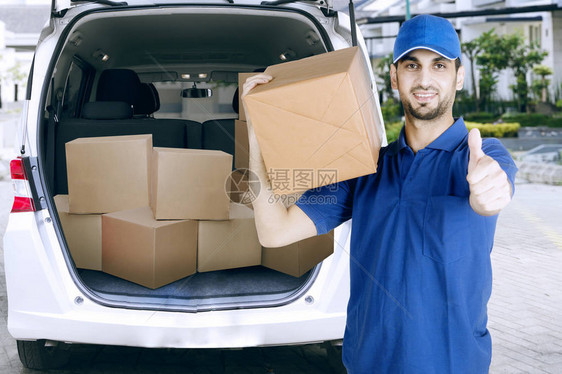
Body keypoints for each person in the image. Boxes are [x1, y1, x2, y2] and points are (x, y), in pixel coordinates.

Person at [242, 14, 518, 374]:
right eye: (411, 65)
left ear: (459, 76)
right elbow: (274, 231)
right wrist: (255, 133)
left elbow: (495, 187)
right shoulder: (365, 168)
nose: (424, 79)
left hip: (452, 363)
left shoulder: (481, 156)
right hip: (367, 363)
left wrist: (489, 192)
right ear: (394, 76)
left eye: (439, 65)